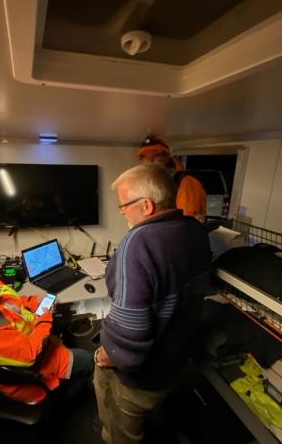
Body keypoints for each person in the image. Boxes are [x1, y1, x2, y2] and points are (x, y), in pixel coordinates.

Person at [93, 164, 211, 444]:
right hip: (171, 366)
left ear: (146, 205)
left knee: (119, 435)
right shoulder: (195, 230)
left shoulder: (137, 243)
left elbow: (128, 343)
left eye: (123, 206)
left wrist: (102, 357)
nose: (122, 212)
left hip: (137, 380)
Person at [0, 254, 93, 404]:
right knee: (87, 361)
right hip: (31, 376)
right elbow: (31, 355)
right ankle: (61, 402)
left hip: (30, 338)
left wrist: (34, 303)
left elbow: (11, 301)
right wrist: (44, 318)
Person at [138, 135, 207, 222]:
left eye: (155, 156)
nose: (150, 161)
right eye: (144, 157)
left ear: (167, 157)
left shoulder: (186, 182)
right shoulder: (151, 185)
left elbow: (187, 224)